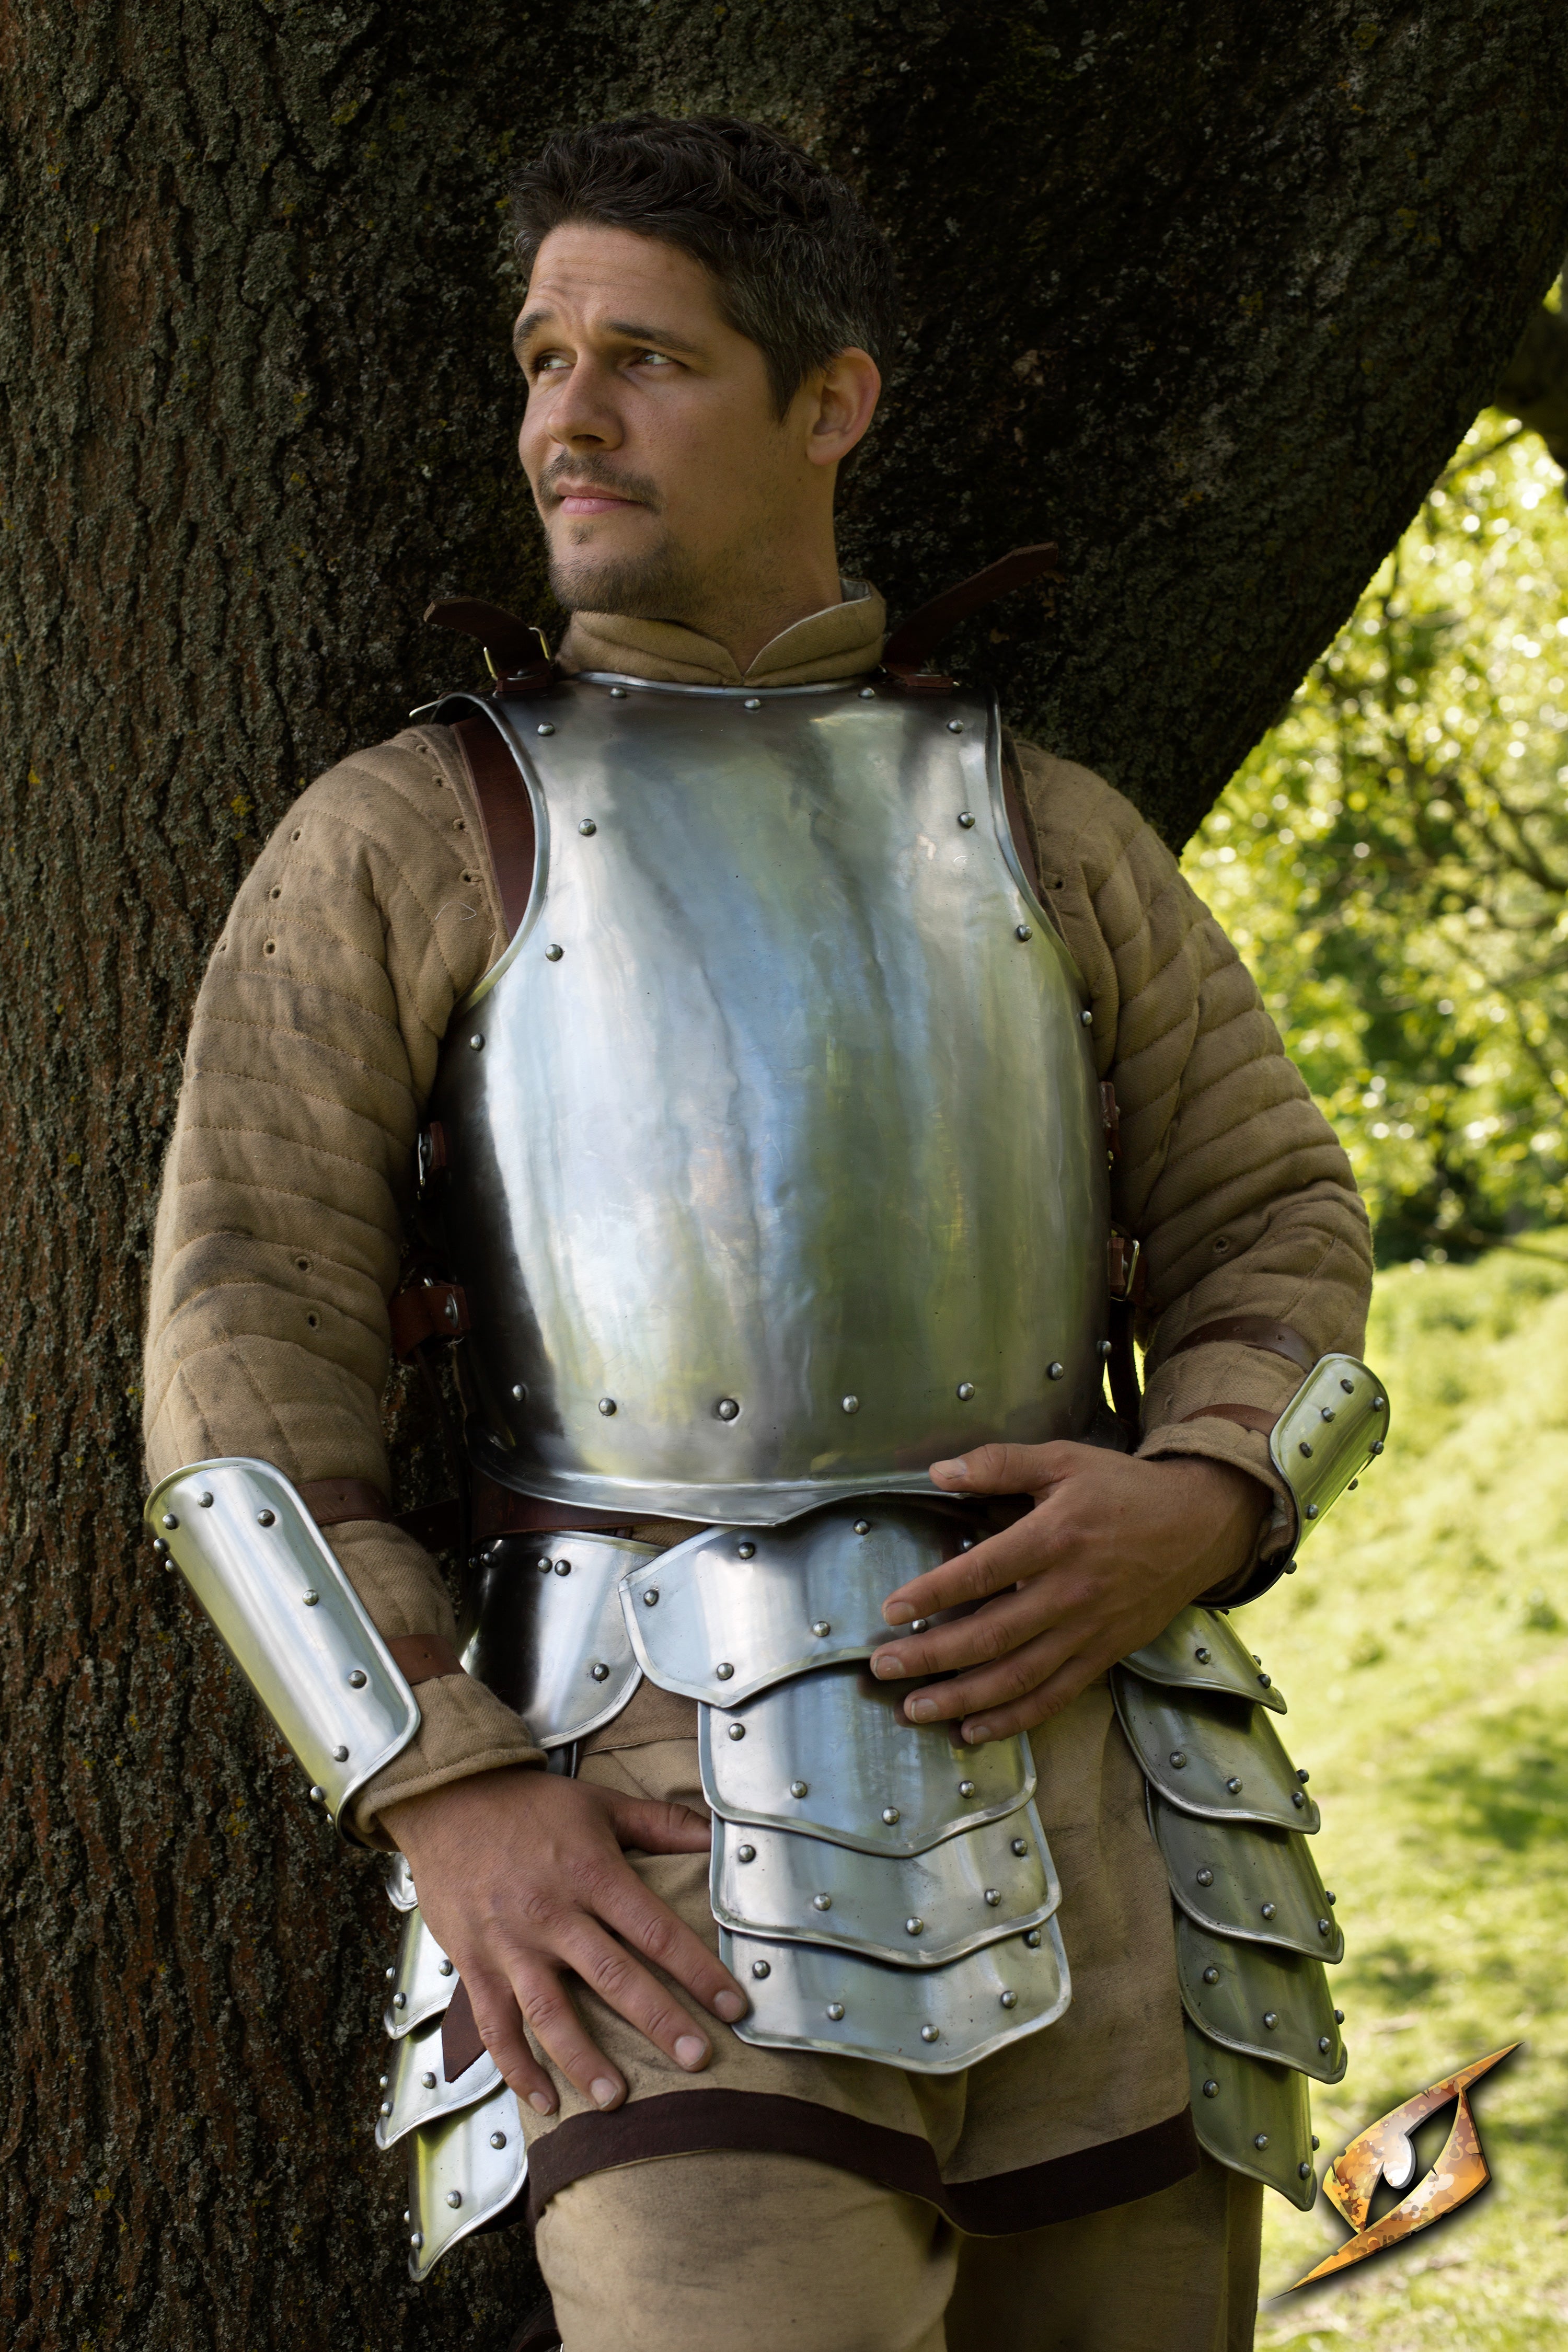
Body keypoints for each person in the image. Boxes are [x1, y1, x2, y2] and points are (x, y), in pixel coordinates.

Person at [142, 114, 1386, 2352]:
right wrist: (444, 1788)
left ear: (831, 402)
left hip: (1111, 1820)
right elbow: (240, 1377)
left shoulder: (1043, 825)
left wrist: (1212, 1490)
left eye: (646, 357)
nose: (569, 417)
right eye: (543, 359)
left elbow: (1276, 1215)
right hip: (649, 1854)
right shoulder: (412, 834)